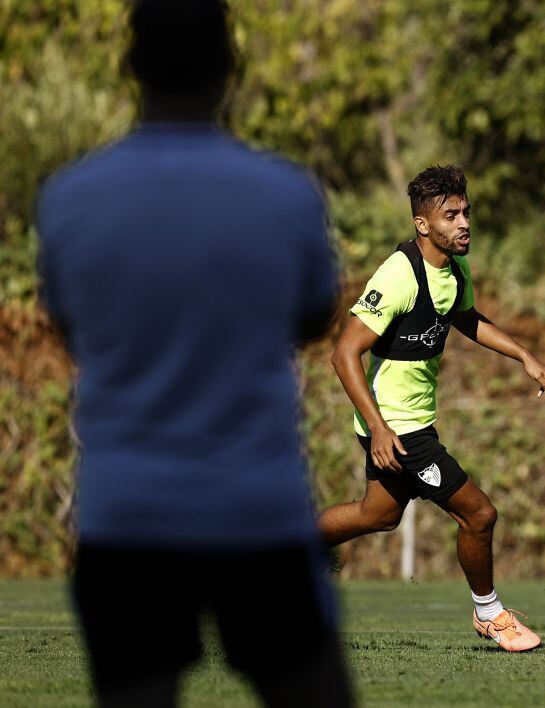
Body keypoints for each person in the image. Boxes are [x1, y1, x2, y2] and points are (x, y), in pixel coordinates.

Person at [35, 1, 353, 705]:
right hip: (256, 510)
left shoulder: (69, 197)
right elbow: (309, 319)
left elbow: (69, 327)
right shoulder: (287, 193)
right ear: (229, 70)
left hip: (126, 515)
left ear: (129, 66)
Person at [318, 164, 545, 652]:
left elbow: (467, 318)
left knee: (378, 515)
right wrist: (377, 428)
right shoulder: (398, 276)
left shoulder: (455, 270)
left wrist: (526, 356)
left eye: (466, 213)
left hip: (408, 421)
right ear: (423, 225)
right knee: (478, 514)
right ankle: (491, 614)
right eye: (450, 215)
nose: (464, 224)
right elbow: (343, 353)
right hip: (397, 426)